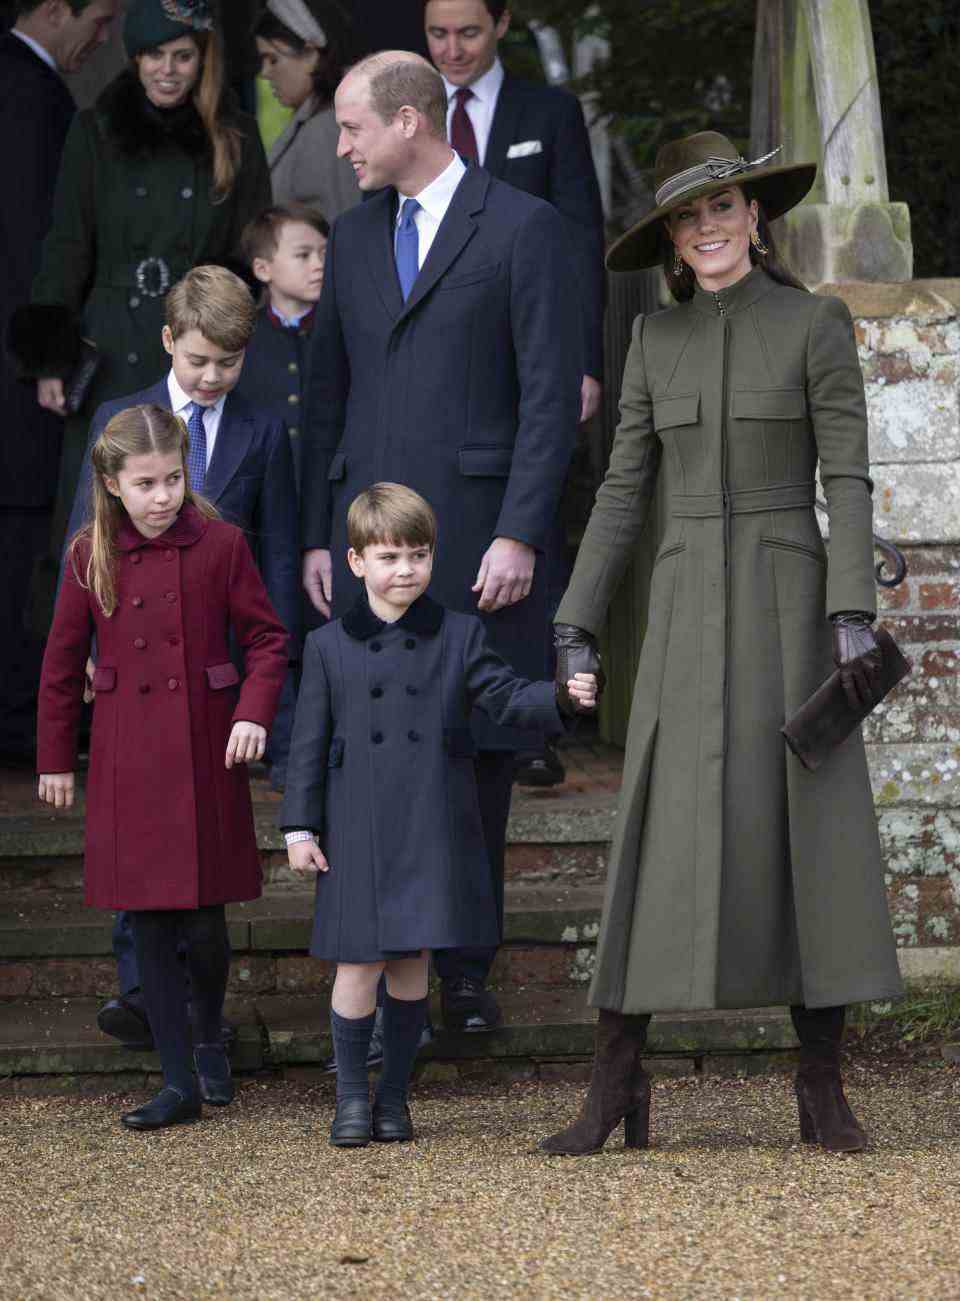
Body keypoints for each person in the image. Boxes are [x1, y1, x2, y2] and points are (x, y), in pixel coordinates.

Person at [538, 131, 903, 1158]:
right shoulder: (654, 341)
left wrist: (847, 613)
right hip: (685, 602)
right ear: (672, 239)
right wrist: (574, 619)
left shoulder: (815, 322)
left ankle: (821, 1081)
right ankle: (617, 1079)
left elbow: (850, 476)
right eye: (688, 217)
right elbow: (621, 490)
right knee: (661, 827)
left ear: (755, 217)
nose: (708, 227)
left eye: (724, 208)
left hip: (793, 598)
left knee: (810, 829)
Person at [300, 52, 581, 1036]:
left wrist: (519, 531)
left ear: (411, 121)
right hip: (365, 550)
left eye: (351, 127)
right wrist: (315, 536)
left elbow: (550, 402)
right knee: (366, 761)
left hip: (473, 551)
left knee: (474, 761)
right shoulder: (350, 235)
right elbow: (325, 401)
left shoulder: (524, 227)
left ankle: (463, 978)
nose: (340, 146)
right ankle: (369, 980)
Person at [281, 483, 596, 1146]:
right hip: (357, 826)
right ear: (357, 561)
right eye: (391, 555)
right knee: (356, 963)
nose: (406, 569)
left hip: (429, 821)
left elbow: (505, 697)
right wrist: (299, 826)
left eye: (419, 555)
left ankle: (394, 1097)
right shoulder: (329, 646)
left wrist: (560, 699)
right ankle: (351, 1098)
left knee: (410, 965)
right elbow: (307, 743)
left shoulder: (458, 634)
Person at [62, 265, 300, 1050]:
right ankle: (140, 992)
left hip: (211, 673)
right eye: (197, 360)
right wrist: (94, 650)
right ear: (169, 342)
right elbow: (83, 543)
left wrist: (264, 695)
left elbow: (276, 553)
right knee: (137, 833)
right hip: (131, 673)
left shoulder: (264, 431)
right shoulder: (118, 417)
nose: (209, 377)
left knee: (198, 847)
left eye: (226, 364)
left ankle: (197, 1016)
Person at [37, 404, 288, 1130]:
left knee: (206, 923)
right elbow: (60, 664)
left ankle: (209, 1036)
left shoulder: (221, 543)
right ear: (113, 482)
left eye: (173, 478)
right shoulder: (90, 554)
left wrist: (252, 710)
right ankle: (177, 1079)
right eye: (145, 483)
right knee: (147, 917)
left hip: (207, 744)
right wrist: (57, 757)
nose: (162, 496)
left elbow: (268, 639)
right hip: (127, 752)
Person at [7, 0, 271, 627]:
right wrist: (52, 355)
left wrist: (230, 326)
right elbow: (68, 242)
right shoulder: (96, 129)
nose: (169, 70)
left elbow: (249, 243)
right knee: (93, 522)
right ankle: (81, 690)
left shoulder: (232, 134)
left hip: (195, 345)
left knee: (191, 513)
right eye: (155, 55)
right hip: (113, 341)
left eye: (183, 55)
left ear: (203, 58)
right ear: (134, 58)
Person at [424, 0, 606, 787]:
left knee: (536, 523)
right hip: (452, 353)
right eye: (437, 34)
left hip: (535, 346)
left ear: (502, 23)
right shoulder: (412, 109)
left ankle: (535, 722)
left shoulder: (549, 111)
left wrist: (584, 362)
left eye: (468, 31)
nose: (453, 49)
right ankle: (447, 707)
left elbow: (580, 237)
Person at [0, 0, 120, 763]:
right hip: (21, 372)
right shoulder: (30, 98)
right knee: (24, 534)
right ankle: (20, 721)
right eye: (100, 20)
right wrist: (49, 354)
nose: (104, 38)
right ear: (53, 10)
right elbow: (33, 243)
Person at [236, 203, 329, 489]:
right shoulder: (242, 337)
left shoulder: (345, 329)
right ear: (263, 269)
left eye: (325, 253)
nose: (319, 265)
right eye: (303, 255)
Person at [254, 0, 359, 220]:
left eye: (273, 59)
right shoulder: (317, 121)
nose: (264, 72)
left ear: (311, 55)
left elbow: (338, 225)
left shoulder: (326, 129)